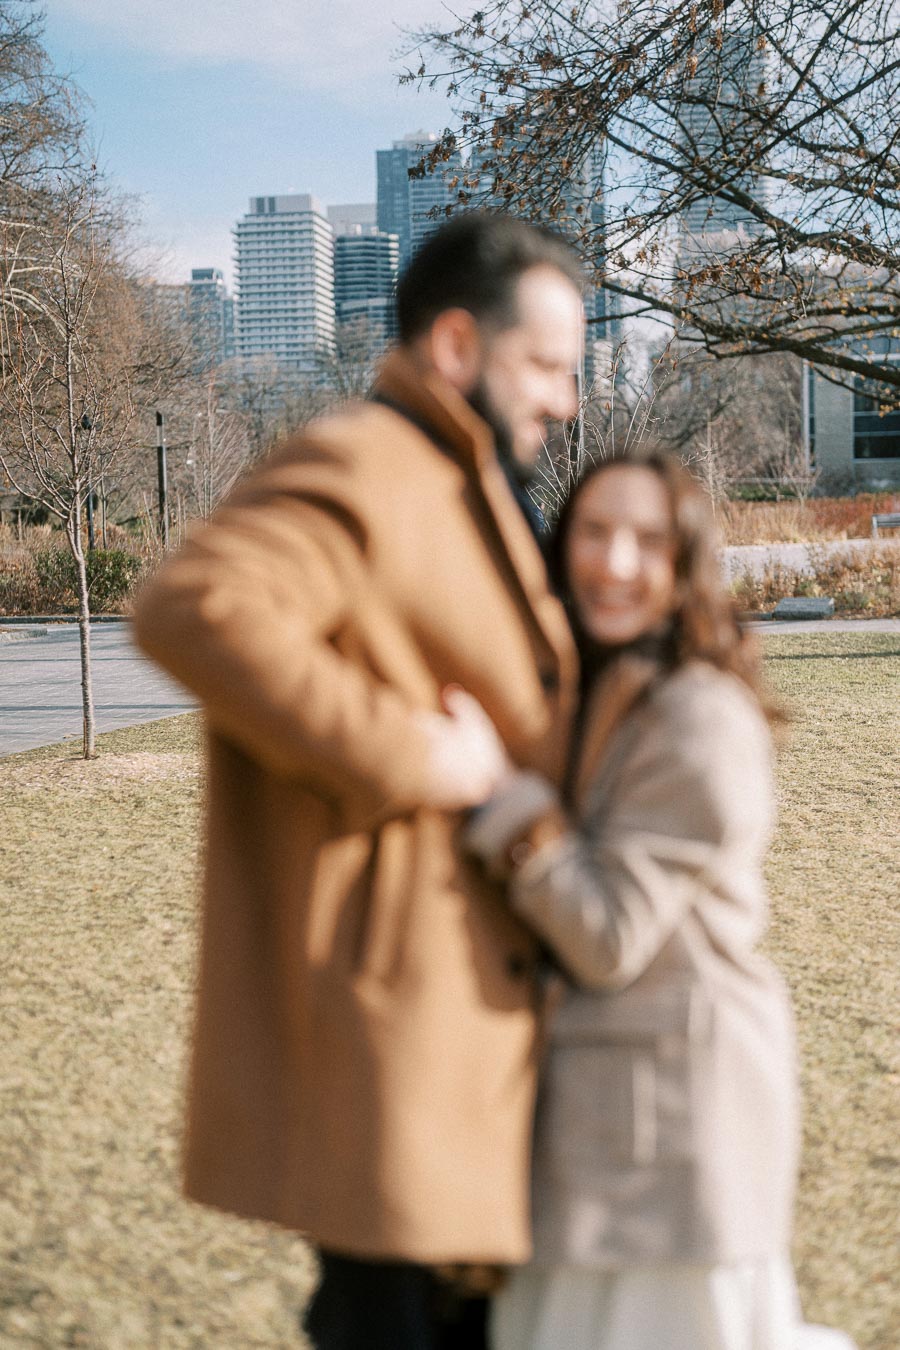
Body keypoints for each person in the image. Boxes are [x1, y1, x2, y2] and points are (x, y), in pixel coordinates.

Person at [132, 212, 585, 1349]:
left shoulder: (456, 477)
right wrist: (411, 754)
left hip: (466, 1020)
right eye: (545, 366)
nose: (565, 400)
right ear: (452, 349)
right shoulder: (370, 459)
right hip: (405, 1025)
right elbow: (195, 609)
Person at [463, 447, 857, 1350]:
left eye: (647, 539)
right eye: (595, 533)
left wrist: (501, 799)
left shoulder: (700, 717)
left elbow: (608, 935)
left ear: (684, 569)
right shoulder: (608, 689)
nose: (616, 561)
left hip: (674, 1134)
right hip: (607, 1129)